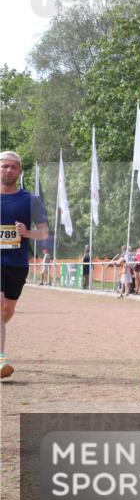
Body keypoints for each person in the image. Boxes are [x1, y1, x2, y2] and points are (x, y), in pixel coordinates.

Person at [0, 151, 49, 380]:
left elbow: (44, 233)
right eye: (4, 166)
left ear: (19, 171)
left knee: (6, 311)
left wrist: (27, 232)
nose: (8, 170)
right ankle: (0, 360)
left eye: (12, 167)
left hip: (17, 264)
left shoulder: (30, 200)